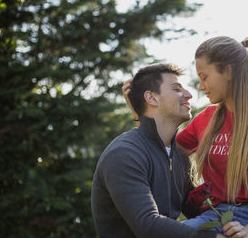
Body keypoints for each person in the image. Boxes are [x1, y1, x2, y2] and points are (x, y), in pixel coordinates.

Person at [123, 36, 248, 238]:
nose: (200, 86)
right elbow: (163, 152)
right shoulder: (207, 118)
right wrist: (140, 113)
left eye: (204, 77)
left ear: (229, 71)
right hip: (215, 216)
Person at [91, 64, 221, 238]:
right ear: (151, 98)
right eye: (176, 89)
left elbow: (198, 210)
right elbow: (147, 225)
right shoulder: (124, 153)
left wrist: (232, 222)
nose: (189, 95)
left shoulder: (179, 157)